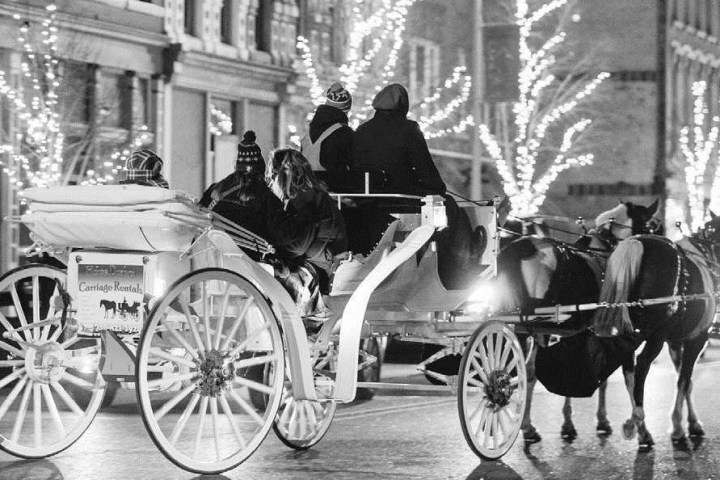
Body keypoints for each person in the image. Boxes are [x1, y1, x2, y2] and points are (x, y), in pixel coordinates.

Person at [198, 131, 309, 261]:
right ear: (261, 171)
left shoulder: (215, 190)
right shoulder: (264, 196)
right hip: (248, 259)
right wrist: (306, 212)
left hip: (212, 254)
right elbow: (283, 234)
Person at [266, 148, 348, 319]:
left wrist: (274, 251)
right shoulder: (309, 195)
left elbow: (299, 245)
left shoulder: (305, 199)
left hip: (319, 263)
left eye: (273, 175)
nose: (271, 180)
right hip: (322, 257)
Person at [350, 83, 446, 196]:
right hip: (400, 194)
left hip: (366, 195)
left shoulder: (362, 129)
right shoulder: (409, 129)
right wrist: (438, 187)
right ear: (403, 104)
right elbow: (424, 167)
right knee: (447, 205)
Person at [300, 82, 354, 191]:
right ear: (346, 110)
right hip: (333, 195)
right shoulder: (345, 133)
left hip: (307, 192)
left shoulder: (308, 133)